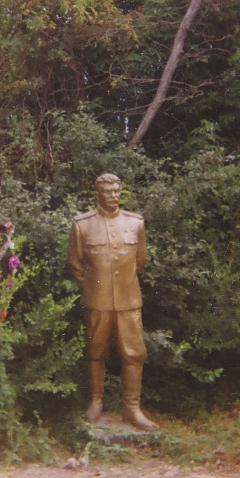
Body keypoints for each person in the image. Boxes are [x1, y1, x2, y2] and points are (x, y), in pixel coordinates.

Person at [68, 173, 158, 429]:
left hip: (129, 300)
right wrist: (96, 288)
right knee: (95, 351)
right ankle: (96, 402)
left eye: (117, 191)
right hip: (97, 300)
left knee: (134, 353)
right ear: (98, 194)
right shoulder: (82, 225)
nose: (113, 196)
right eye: (108, 192)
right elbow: (76, 264)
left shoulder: (135, 224)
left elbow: (138, 261)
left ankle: (132, 409)